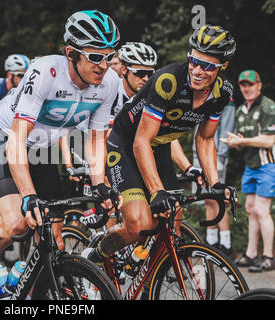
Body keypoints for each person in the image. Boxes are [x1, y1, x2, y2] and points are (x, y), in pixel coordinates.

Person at [0, 9, 123, 300]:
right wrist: (28, 196)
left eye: (109, 56)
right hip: (6, 139)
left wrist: (100, 183)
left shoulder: (109, 83)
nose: (104, 65)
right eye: (95, 57)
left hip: (44, 147)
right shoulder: (46, 72)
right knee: (15, 224)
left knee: (55, 241)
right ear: (71, 53)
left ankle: (29, 296)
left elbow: (97, 141)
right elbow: (16, 141)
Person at [84, 24, 236, 267]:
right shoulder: (168, 81)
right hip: (126, 145)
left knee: (174, 220)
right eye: (193, 61)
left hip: (159, 147)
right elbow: (141, 141)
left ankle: (148, 283)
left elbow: (205, 139)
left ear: (223, 66)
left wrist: (215, 182)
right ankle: (95, 255)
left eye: (206, 66)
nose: (196, 71)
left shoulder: (222, 92)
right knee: (139, 225)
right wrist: (157, 192)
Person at [221, 69, 275, 272]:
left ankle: (269, 256)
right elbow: (243, 140)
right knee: (250, 209)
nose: (247, 88)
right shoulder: (241, 110)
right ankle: (252, 254)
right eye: (243, 84)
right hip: (250, 166)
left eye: (250, 84)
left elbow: (269, 141)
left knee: (262, 210)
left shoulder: (268, 106)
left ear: (259, 85)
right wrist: (234, 143)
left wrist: (242, 141)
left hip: (268, 165)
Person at [192, 98, 235, 256]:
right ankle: (211, 242)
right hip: (198, 153)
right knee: (207, 199)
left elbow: (227, 128)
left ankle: (226, 244)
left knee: (219, 198)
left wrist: (221, 157)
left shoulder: (225, 96)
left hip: (214, 154)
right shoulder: (200, 94)